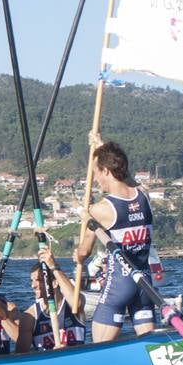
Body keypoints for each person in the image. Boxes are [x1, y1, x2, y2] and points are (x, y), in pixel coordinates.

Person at [76, 133, 160, 342]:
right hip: (144, 285)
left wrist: (76, 256)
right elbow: (126, 177)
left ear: (106, 170)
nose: (95, 179)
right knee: (150, 344)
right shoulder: (144, 194)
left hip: (119, 287)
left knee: (100, 350)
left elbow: (83, 253)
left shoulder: (100, 210)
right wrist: (102, 146)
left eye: (96, 172)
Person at [20, 246, 87, 352]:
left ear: (55, 283)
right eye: (32, 281)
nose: (33, 285)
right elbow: (22, 355)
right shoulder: (30, 316)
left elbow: (76, 303)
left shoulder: (73, 305)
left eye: (39, 280)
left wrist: (53, 267)